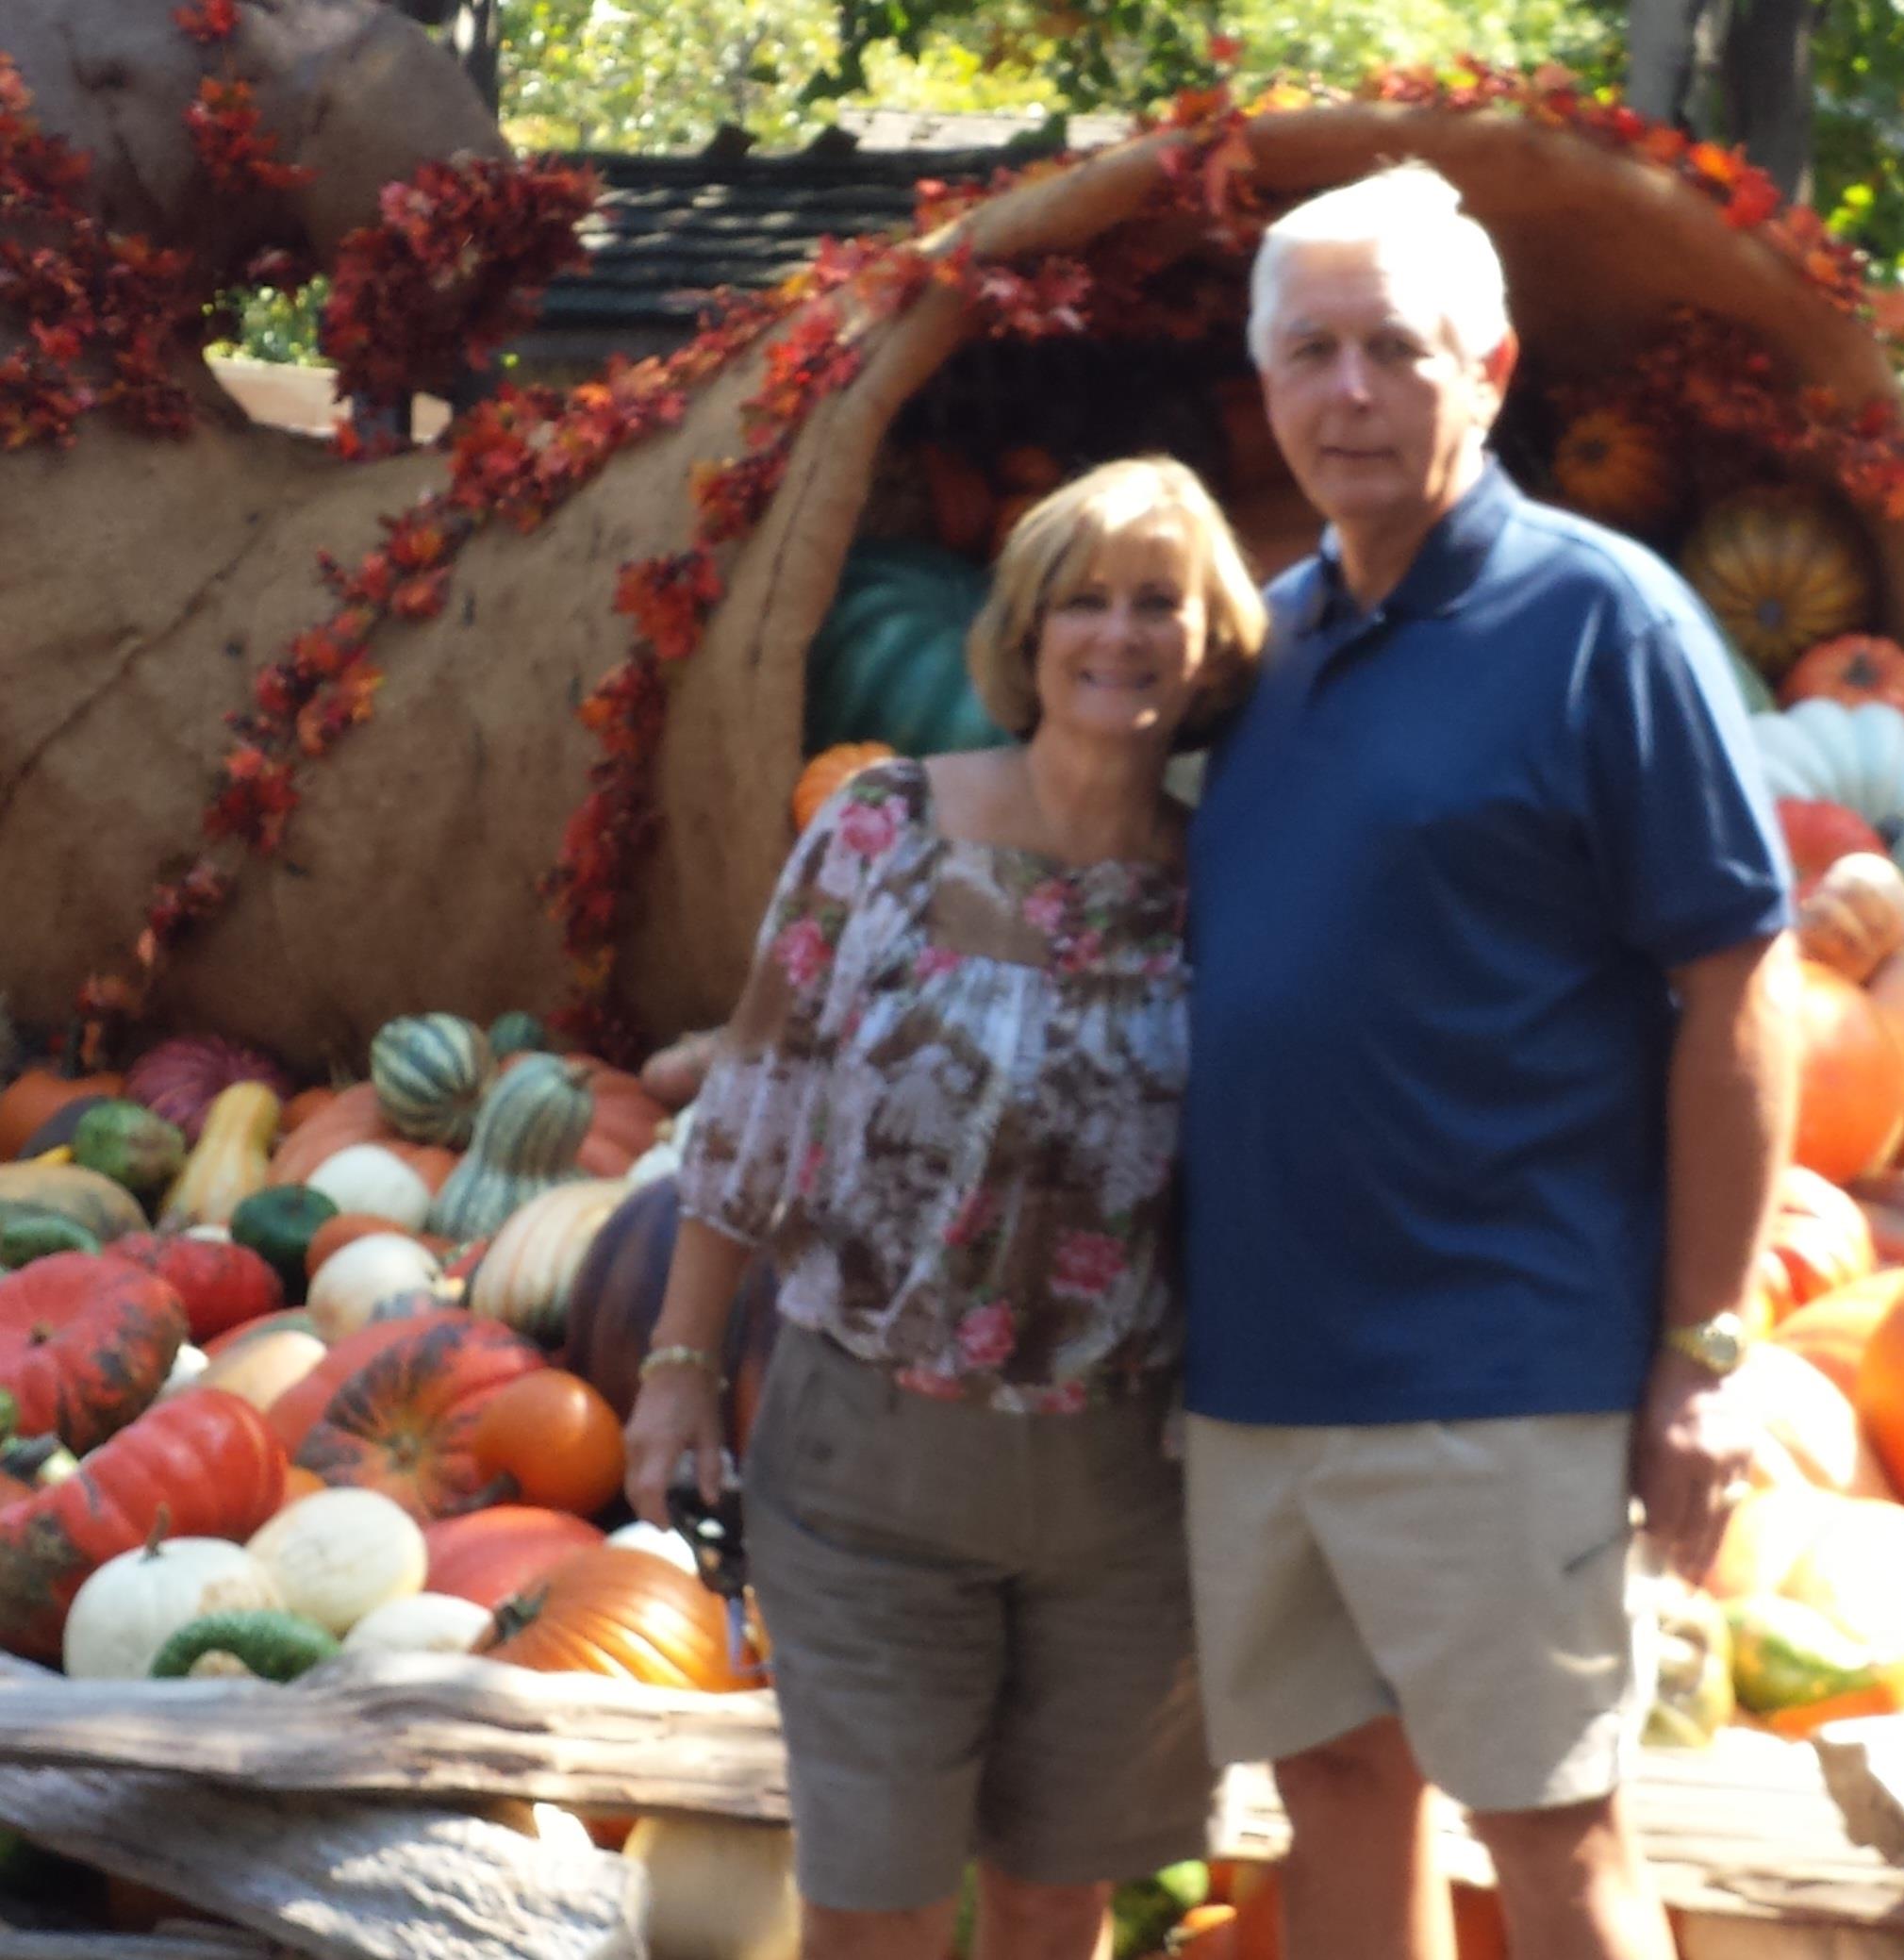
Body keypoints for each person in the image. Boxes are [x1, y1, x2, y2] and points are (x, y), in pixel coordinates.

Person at [1179, 165, 1803, 1960]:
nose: (1350, 389)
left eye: (1396, 347)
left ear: (1492, 367)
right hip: (1255, 1368)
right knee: (1335, 1796)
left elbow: (1741, 993)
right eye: (1311, 351)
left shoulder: (1602, 622)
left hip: (1500, 1363)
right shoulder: (1262, 645)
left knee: (1553, 1831)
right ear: (1266, 383)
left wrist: (1702, 1350)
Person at [621, 456, 1267, 1960]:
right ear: (1025, 634)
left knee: (1054, 1904)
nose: (1120, 635)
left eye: (1159, 603)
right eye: (1084, 601)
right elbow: (755, 1104)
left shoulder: (1229, 880)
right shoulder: (880, 832)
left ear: (1212, 640)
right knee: (875, 1911)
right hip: (867, 1468)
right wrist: (673, 1370)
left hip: (1127, 1480)